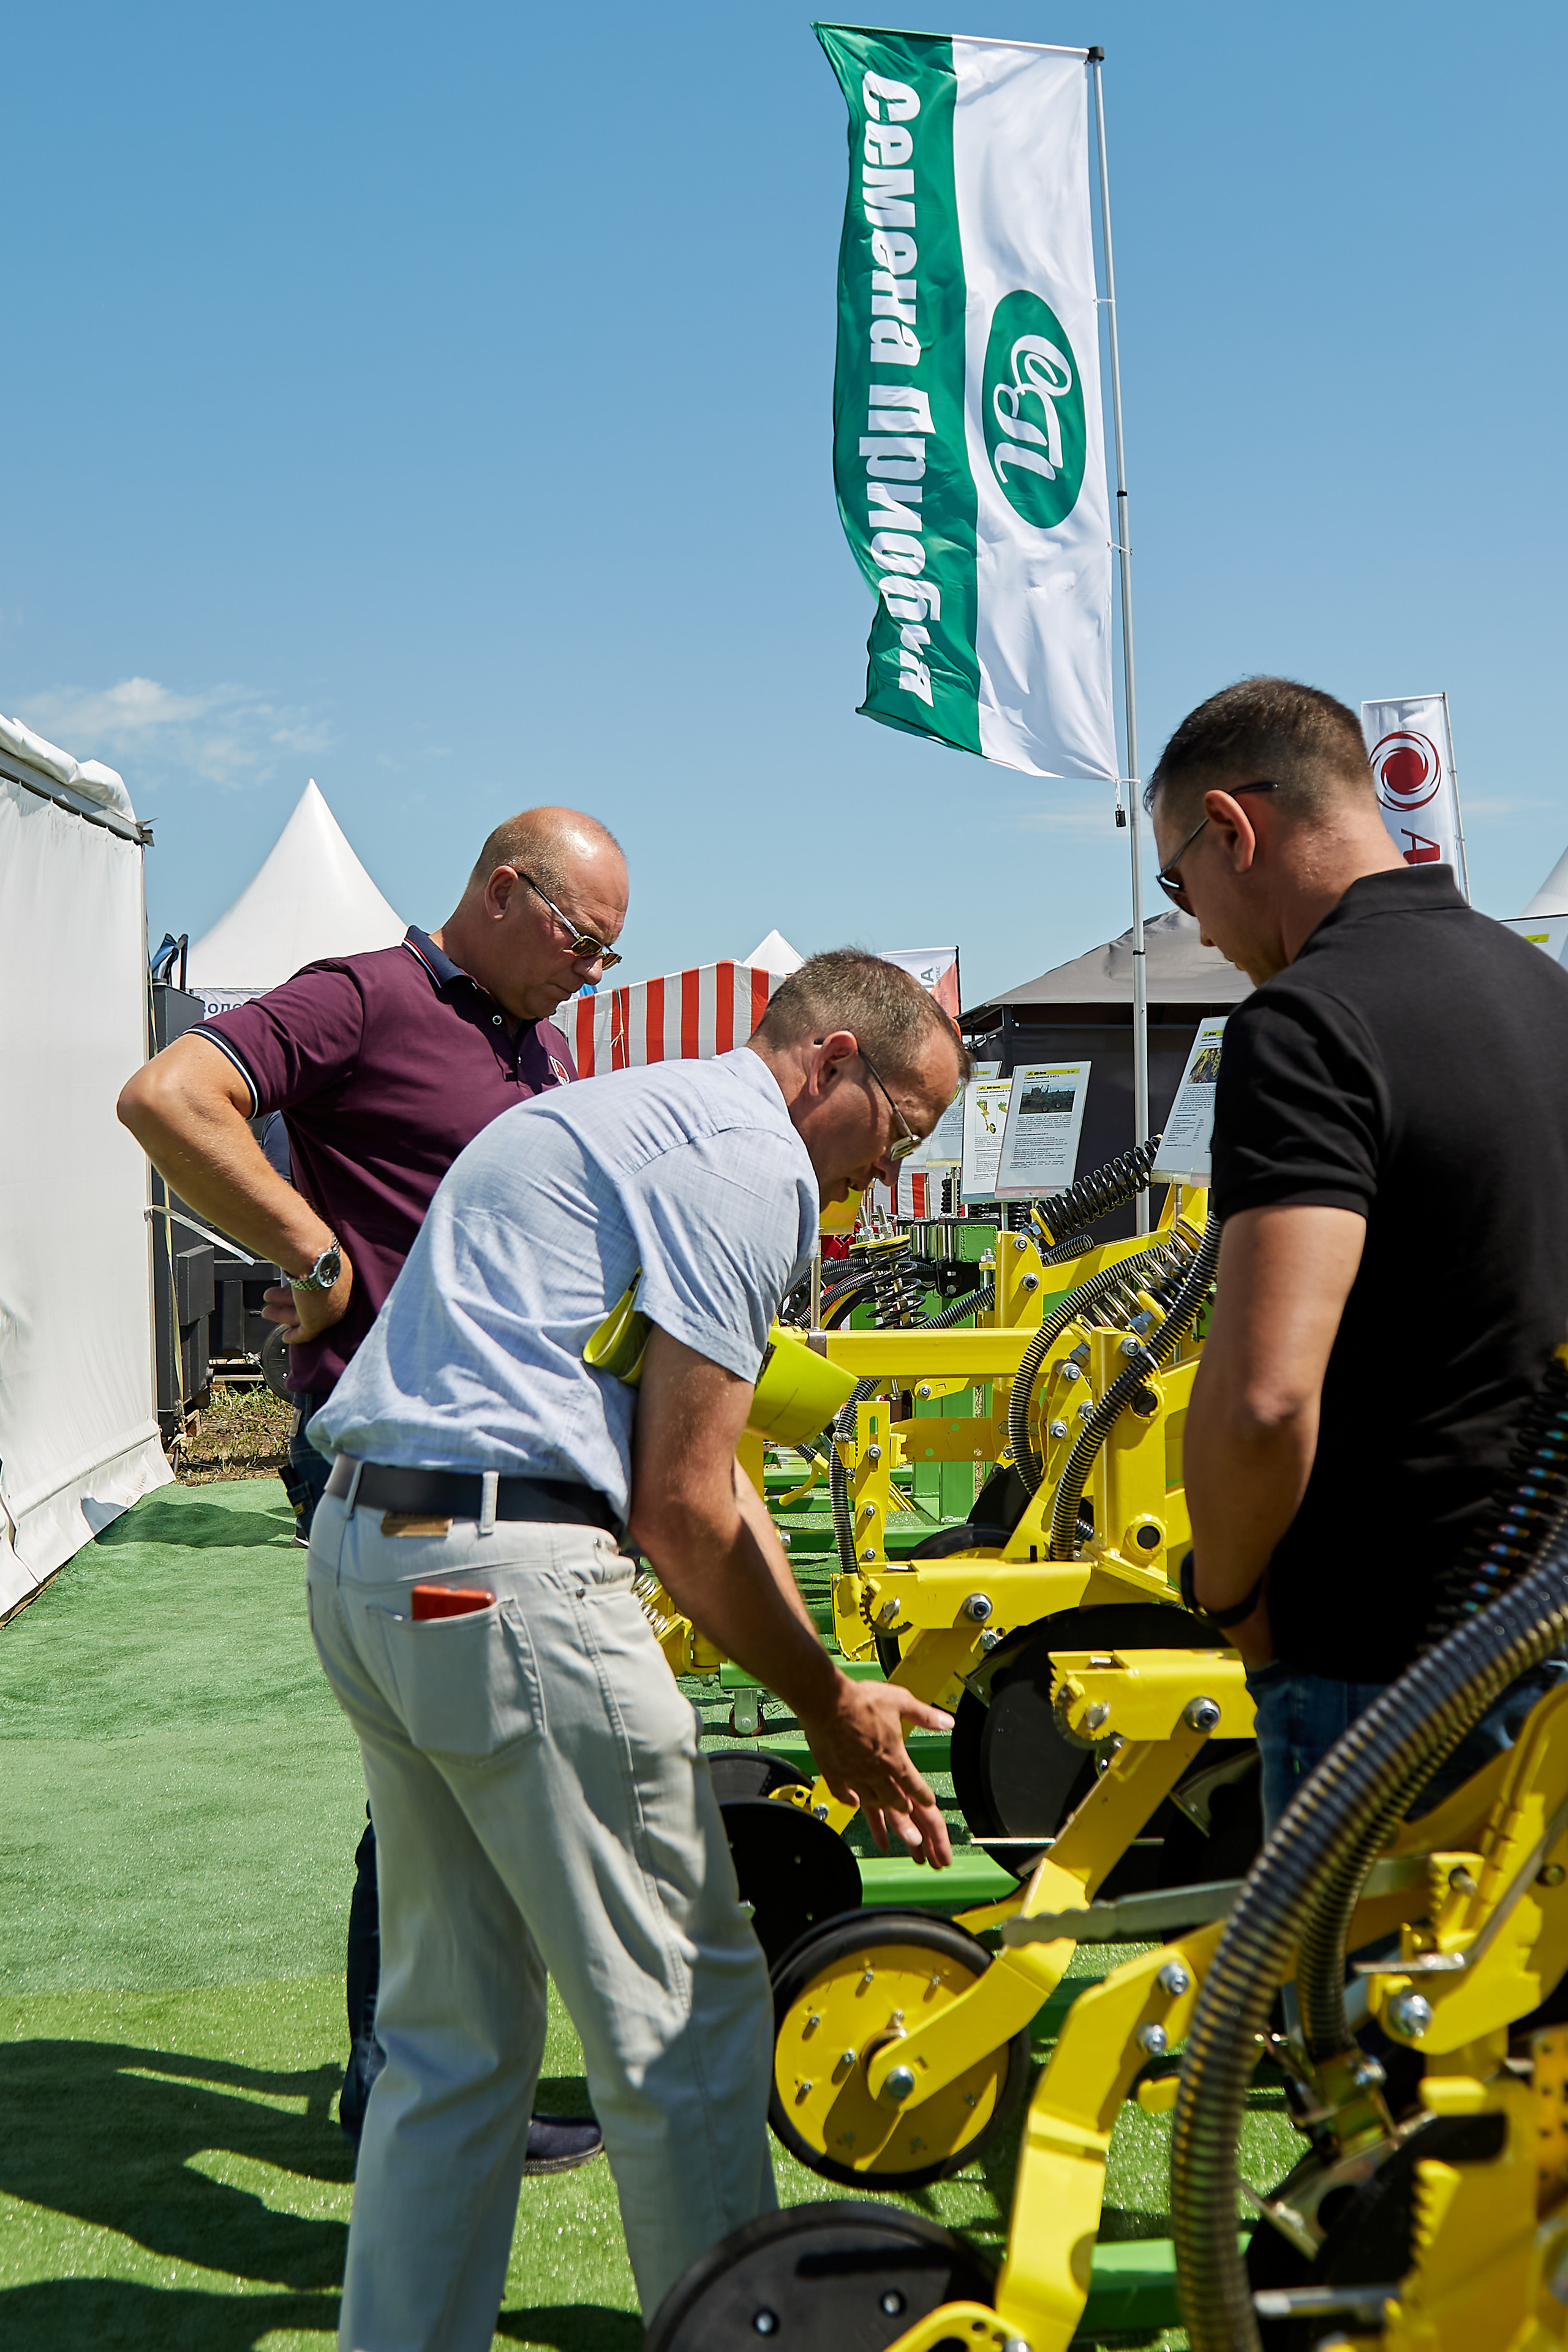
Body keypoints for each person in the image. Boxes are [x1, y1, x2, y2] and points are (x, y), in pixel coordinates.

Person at [301, 950, 963, 2340]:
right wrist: (829, 1711)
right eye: (897, 1130)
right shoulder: (745, 1164)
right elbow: (680, 1507)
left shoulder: (628, 1114)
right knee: (687, 2025)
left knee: (452, 2046)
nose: (886, 1179)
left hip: (376, 1559)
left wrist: (829, 1683)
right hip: (509, 1583)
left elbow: (704, 1479)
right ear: (831, 1064)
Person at [117, 807, 627, 2166]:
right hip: (393, 1467)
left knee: (455, 1773)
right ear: (505, 892)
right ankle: (410, 2091)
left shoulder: (536, 1042)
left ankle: (421, 2082)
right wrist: (306, 1245)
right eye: (582, 940)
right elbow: (168, 1094)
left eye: (609, 956)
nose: (591, 971)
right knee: (443, 1776)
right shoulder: (365, 996)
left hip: (493, 1464)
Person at [1153, 677, 1568, 1831]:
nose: (1197, 929)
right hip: (1543, 1628)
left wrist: (1231, 1595)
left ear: (1234, 828)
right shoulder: (1548, 995)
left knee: (1357, 2011)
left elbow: (1264, 1402)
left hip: (1390, 1661)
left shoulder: (1306, 1024)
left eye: (1178, 884)